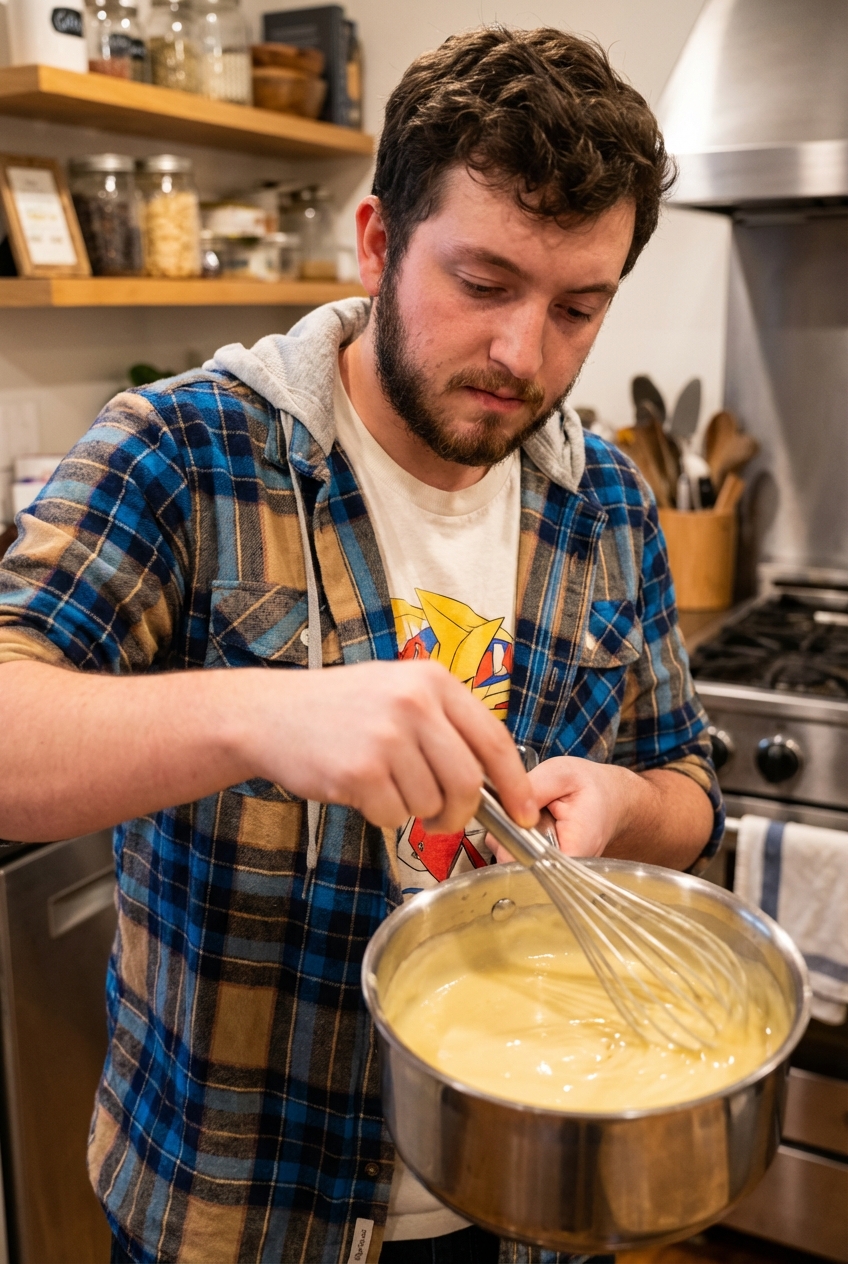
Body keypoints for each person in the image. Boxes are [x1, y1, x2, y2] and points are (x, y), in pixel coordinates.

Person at [0, 25, 722, 1264]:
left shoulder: (605, 502)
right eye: (484, 284)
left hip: (522, 1202)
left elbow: (689, 792)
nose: (522, 353)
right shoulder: (182, 453)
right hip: (233, 1207)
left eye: (577, 308)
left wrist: (614, 802)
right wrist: (262, 714)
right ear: (378, 241)